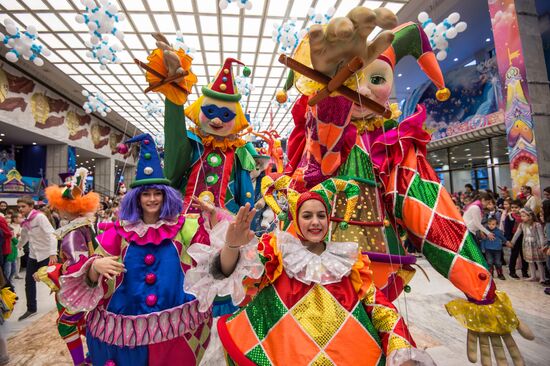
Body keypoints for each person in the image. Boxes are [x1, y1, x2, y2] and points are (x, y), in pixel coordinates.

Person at [185, 178, 435, 366]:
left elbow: (378, 307)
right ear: (296, 218)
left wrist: (399, 345)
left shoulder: (349, 260)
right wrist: (232, 245)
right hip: (283, 355)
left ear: (329, 220)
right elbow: (228, 271)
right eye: (307, 215)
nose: (315, 222)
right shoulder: (276, 251)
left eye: (320, 216)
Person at [58, 134, 213, 366]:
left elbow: (212, 257)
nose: (152, 199)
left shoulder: (184, 227)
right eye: (146, 194)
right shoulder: (117, 232)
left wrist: (215, 219)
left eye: (157, 193)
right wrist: (94, 266)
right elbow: (90, 278)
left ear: (166, 195)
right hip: (126, 339)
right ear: (136, 199)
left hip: (177, 335)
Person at [34, 168, 99, 366]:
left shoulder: (72, 232)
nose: (55, 209)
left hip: (79, 288)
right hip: (90, 285)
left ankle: (82, 362)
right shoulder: (83, 226)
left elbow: (76, 267)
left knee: (66, 325)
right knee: (83, 323)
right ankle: (95, 355)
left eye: (58, 206)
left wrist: (51, 271)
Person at [16, 196, 57, 321]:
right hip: (33, 256)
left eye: (23, 206)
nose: (20, 209)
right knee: (29, 282)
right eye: (19, 207)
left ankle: (65, 303)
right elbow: (24, 236)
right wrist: (19, 246)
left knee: (55, 282)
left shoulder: (40, 217)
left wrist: (53, 253)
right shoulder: (25, 221)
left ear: (30, 206)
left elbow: (52, 234)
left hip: (46, 254)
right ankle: (31, 309)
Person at [511, 208, 546, 283]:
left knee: (538, 262)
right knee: (530, 261)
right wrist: (512, 242)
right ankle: (533, 276)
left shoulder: (537, 225)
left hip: (536, 245)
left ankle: (542, 277)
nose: (522, 218)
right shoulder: (521, 225)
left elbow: (541, 236)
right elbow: (517, 234)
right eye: (521, 216)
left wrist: (542, 245)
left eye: (524, 216)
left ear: (530, 216)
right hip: (527, 245)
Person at [504, 200, 529, 279]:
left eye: (516, 207)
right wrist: (508, 240)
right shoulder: (509, 217)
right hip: (513, 238)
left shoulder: (524, 216)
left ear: (520, 208)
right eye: (512, 207)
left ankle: (524, 271)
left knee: (524, 255)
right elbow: (507, 229)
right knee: (514, 254)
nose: (514, 209)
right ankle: (512, 271)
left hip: (524, 237)